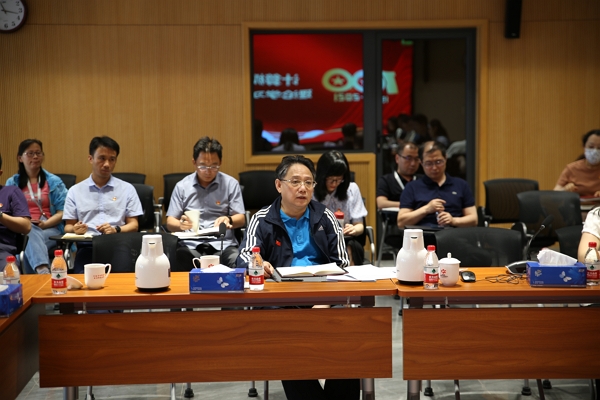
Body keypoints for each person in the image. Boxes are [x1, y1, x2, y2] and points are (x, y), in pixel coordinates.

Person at [237, 155, 355, 400]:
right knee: (288, 342)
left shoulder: (325, 217)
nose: (303, 188)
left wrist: (325, 302)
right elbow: (245, 256)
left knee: (351, 341)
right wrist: (259, 263)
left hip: (323, 299)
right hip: (281, 303)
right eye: (295, 181)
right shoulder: (262, 219)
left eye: (309, 183)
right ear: (279, 185)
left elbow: (343, 263)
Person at [63, 136, 143, 273]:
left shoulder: (127, 189)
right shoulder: (75, 191)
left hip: (118, 245)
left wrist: (116, 229)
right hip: (88, 246)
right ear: (90, 159)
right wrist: (75, 229)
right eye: (102, 158)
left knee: (121, 281)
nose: (107, 164)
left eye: (112, 159)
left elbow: (134, 225)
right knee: (82, 282)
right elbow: (68, 226)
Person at [166, 137, 245, 270]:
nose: (208, 171)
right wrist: (181, 224)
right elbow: (170, 222)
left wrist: (229, 219)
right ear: (194, 162)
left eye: (214, 166)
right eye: (202, 166)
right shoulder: (182, 186)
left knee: (237, 261)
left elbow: (241, 218)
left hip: (222, 244)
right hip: (191, 245)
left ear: (221, 162)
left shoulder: (231, 184)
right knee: (178, 259)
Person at [5, 139, 68, 274]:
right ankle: (44, 273)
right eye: (30, 153)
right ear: (20, 158)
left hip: (50, 228)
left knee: (26, 245)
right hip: (22, 230)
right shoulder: (12, 183)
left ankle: (40, 274)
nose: (35, 157)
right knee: (29, 232)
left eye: (38, 153)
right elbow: (7, 212)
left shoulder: (54, 182)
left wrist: (45, 224)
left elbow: (62, 211)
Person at [397, 141, 477, 228]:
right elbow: (401, 222)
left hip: (453, 232)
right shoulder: (412, 187)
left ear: (445, 159)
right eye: (428, 163)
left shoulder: (461, 185)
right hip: (424, 233)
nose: (434, 168)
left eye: (438, 162)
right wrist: (426, 209)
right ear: (421, 162)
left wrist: (453, 220)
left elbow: (473, 219)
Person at [313, 150, 367, 265]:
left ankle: (348, 275)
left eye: (339, 180)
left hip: (345, 239)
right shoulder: (311, 191)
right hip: (320, 240)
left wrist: (354, 229)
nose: (335, 183)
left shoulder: (351, 189)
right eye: (331, 179)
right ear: (322, 176)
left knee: (351, 247)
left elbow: (360, 226)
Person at [0, 152, 32, 271]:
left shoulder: (11, 192)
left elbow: (26, 226)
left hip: (2, 250)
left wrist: (0, 215)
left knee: (8, 273)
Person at [555, 129, 600, 197]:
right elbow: (555, 193)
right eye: (591, 147)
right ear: (584, 147)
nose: (595, 151)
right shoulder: (571, 168)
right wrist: (565, 190)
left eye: (599, 148)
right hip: (576, 203)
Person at [376, 142, 421, 209]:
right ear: (397, 158)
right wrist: (407, 205)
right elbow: (381, 203)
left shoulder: (423, 180)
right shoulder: (386, 180)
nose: (413, 163)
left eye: (416, 159)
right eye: (408, 158)